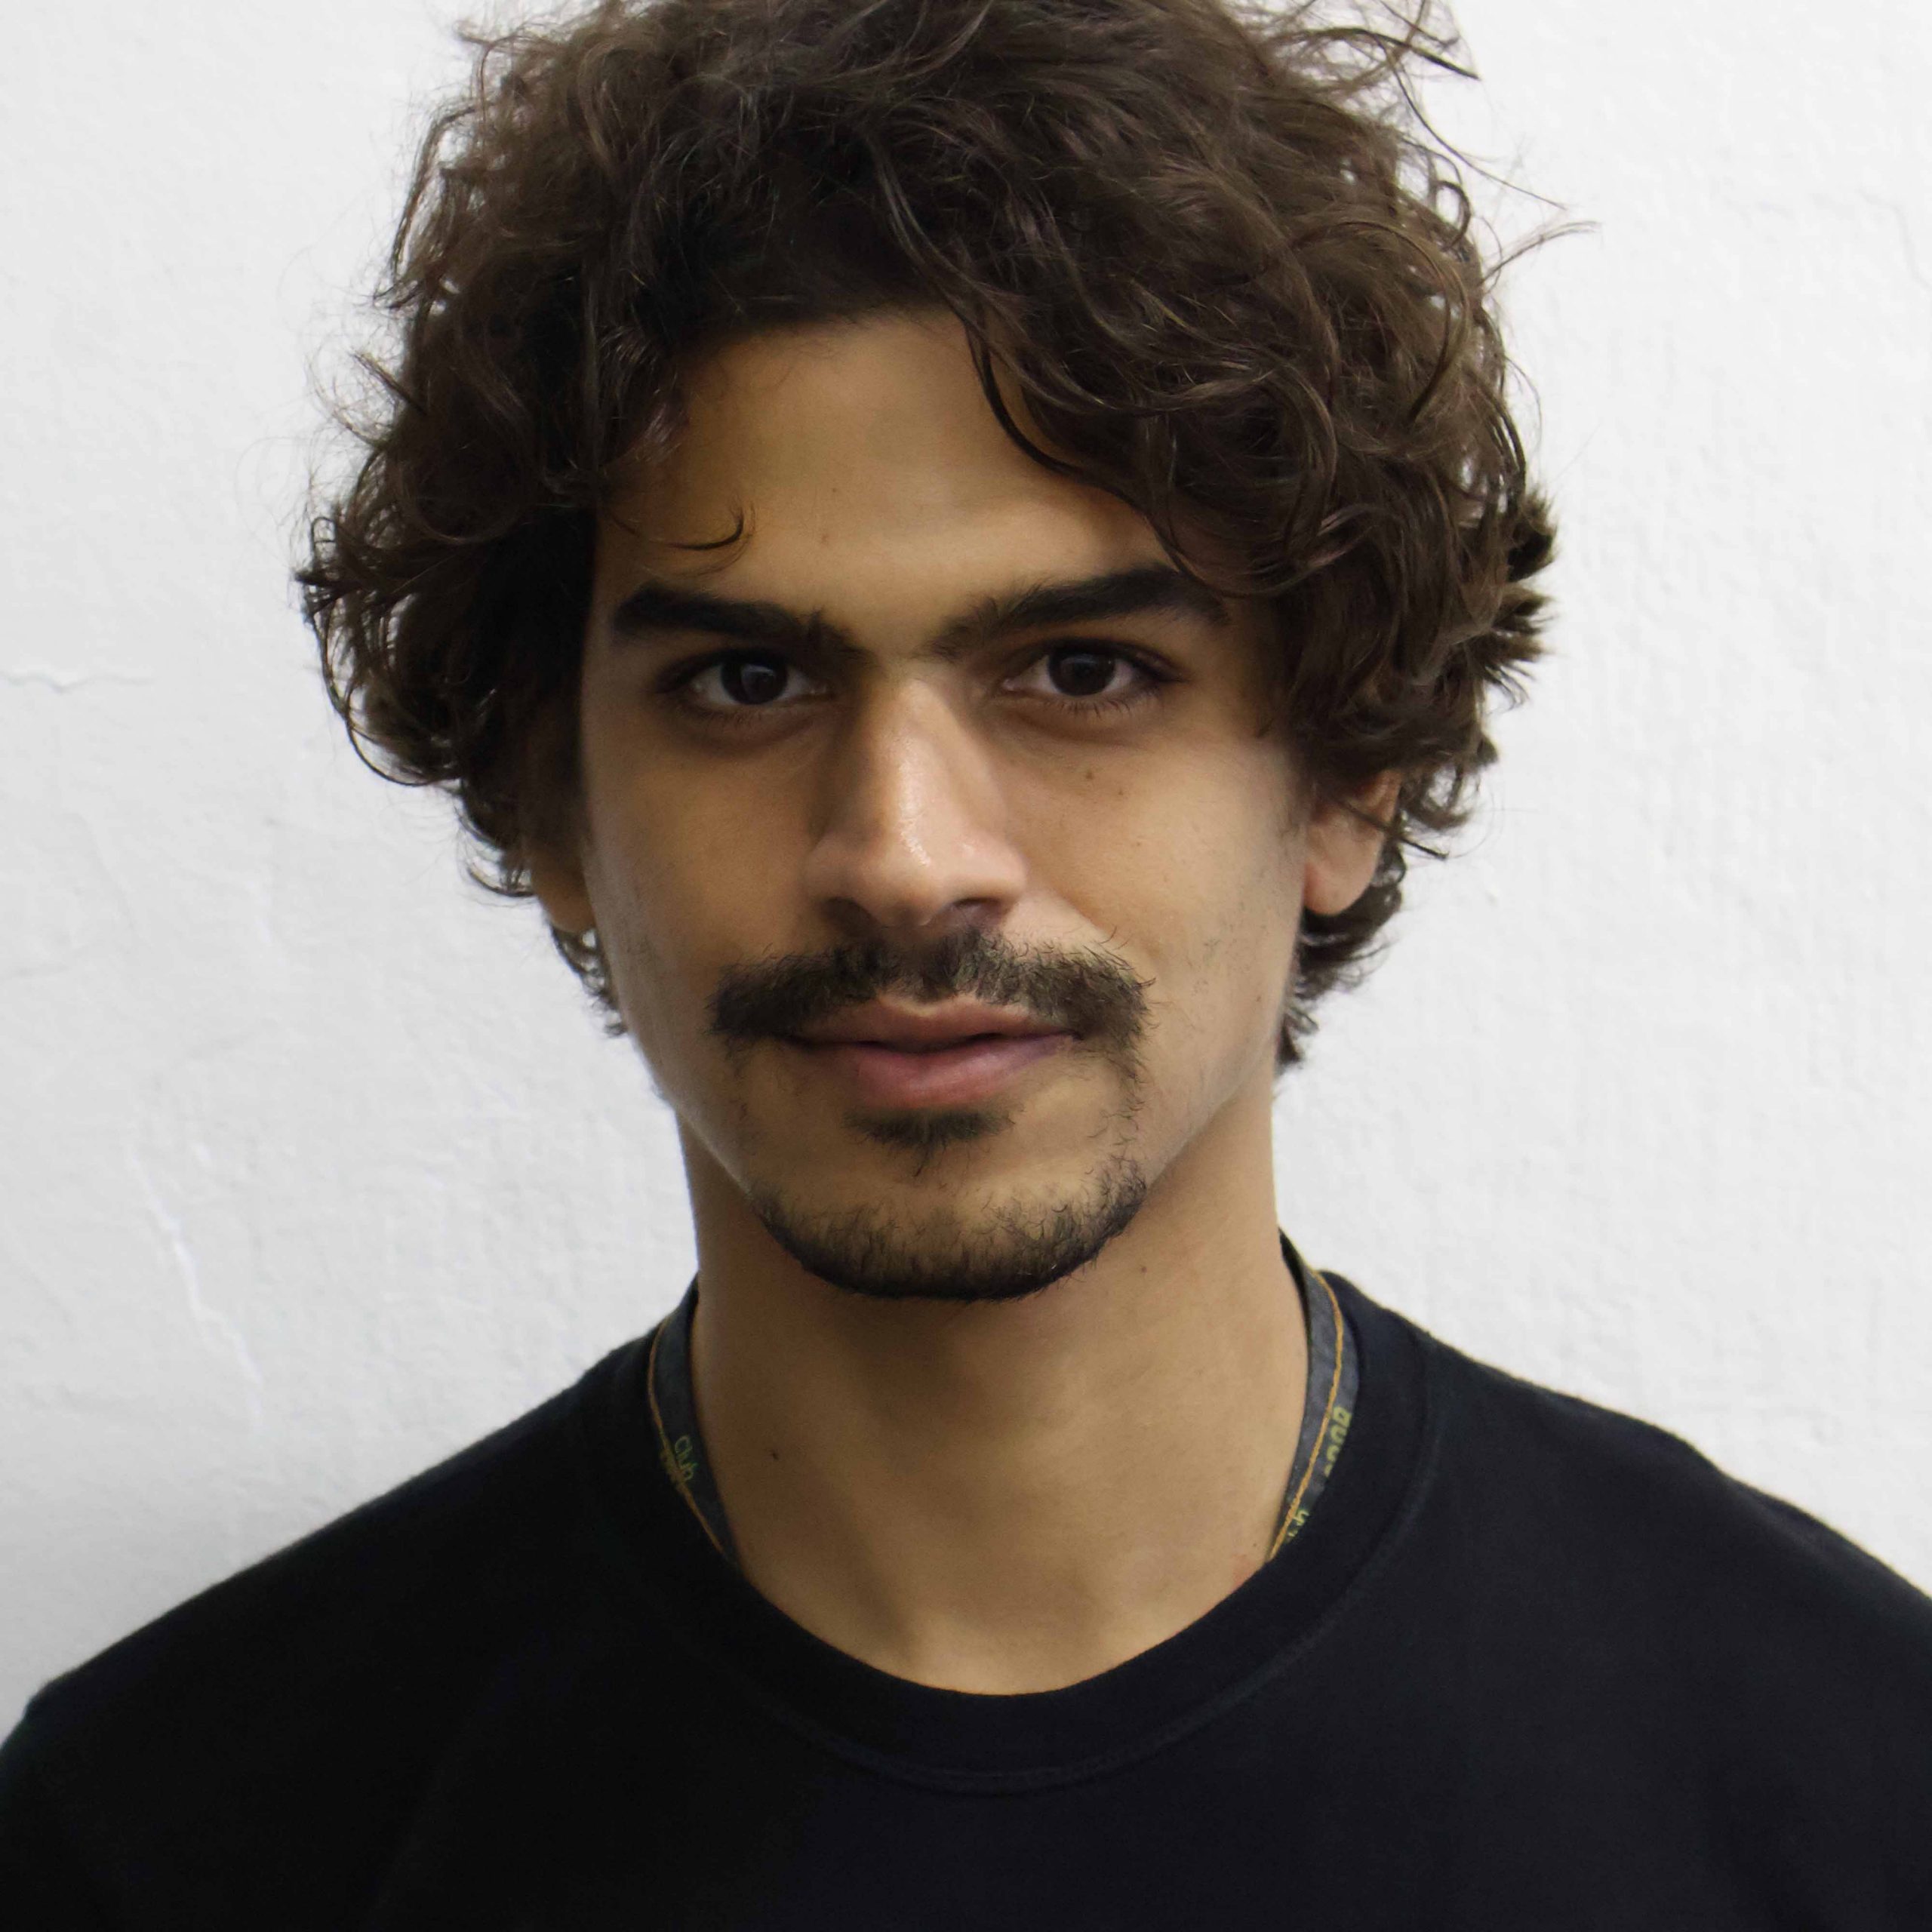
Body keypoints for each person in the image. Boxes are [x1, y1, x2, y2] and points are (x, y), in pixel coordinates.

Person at [4, 0, 1928, 1921]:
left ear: (1351, 768)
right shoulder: (165, 1841)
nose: (907, 857)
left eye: (1080, 670)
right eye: (744, 680)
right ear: (547, 795)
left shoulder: (1849, 1781)